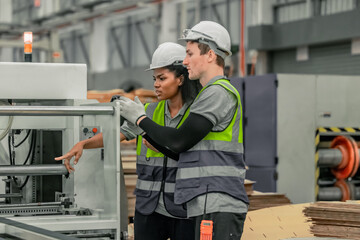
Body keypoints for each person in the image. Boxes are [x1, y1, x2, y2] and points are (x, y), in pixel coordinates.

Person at [55, 42, 202, 240]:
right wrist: (83, 144)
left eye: (162, 78)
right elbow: (119, 134)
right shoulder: (149, 112)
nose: (156, 84)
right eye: (154, 79)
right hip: (149, 209)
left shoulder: (197, 115)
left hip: (184, 208)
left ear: (181, 79)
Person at [119, 21, 249, 240]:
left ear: (209, 54)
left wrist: (139, 118)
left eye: (190, 53)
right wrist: (156, 140)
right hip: (205, 202)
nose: (185, 61)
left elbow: (180, 141)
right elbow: (185, 152)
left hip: (217, 201)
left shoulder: (218, 93)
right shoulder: (207, 95)